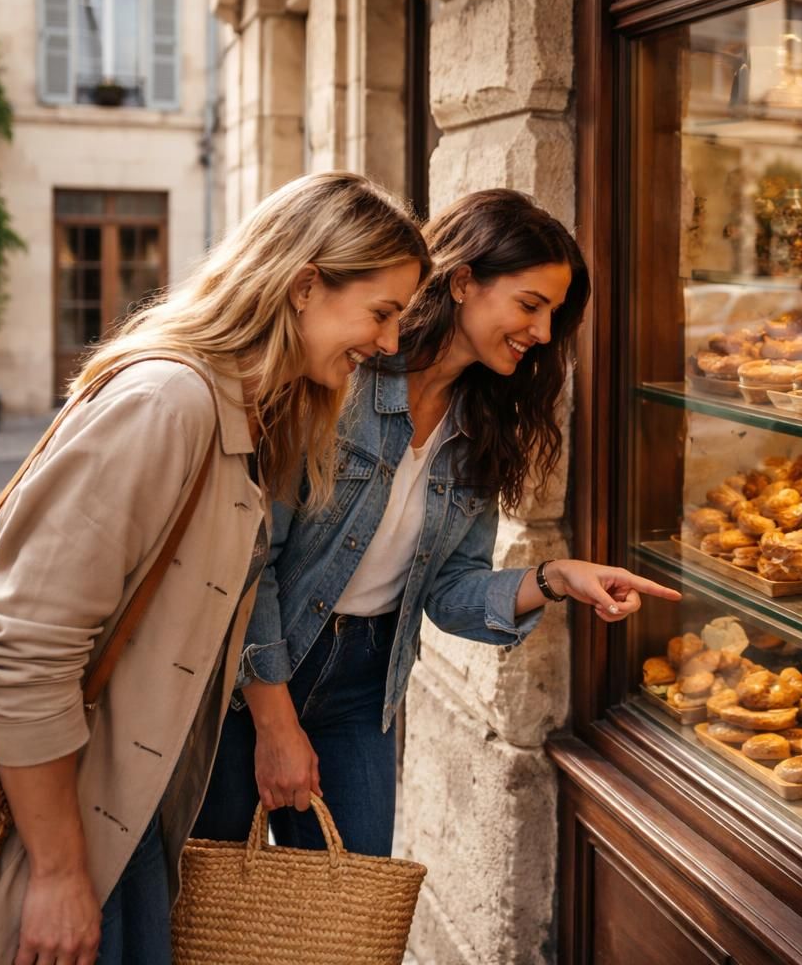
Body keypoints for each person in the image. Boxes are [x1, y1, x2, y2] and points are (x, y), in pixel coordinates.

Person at [0, 171, 431, 965]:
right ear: (306, 285)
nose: (389, 344)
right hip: (66, 830)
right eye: (382, 313)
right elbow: (20, 646)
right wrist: (61, 874)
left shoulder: (236, 412)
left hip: (118, 820)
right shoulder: (172, 402)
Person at [193, 189, 679, 856]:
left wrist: (555, 578)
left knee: (350, 919)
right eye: (530, 305)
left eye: (552, 316)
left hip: (363, 683)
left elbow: (449, 594)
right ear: (463, 282)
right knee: (209, 904)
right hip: (251, 678)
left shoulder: (480, 427)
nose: (541, 334)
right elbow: (255, 560)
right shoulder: (342, 375)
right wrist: (276, 721)